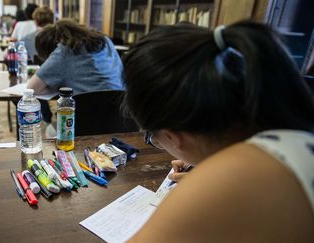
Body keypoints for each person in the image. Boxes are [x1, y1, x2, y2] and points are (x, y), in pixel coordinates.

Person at [122, 21, 314, 242]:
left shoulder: (227, 181)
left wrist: (206, 186)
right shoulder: (287, 130)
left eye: (152, 138)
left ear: (172, 136)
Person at [27, 20, 124, 95]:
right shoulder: (105, 40)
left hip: (88, 114)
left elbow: (31, 89)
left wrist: (55, 87)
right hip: (122, 108)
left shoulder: (63, 52)